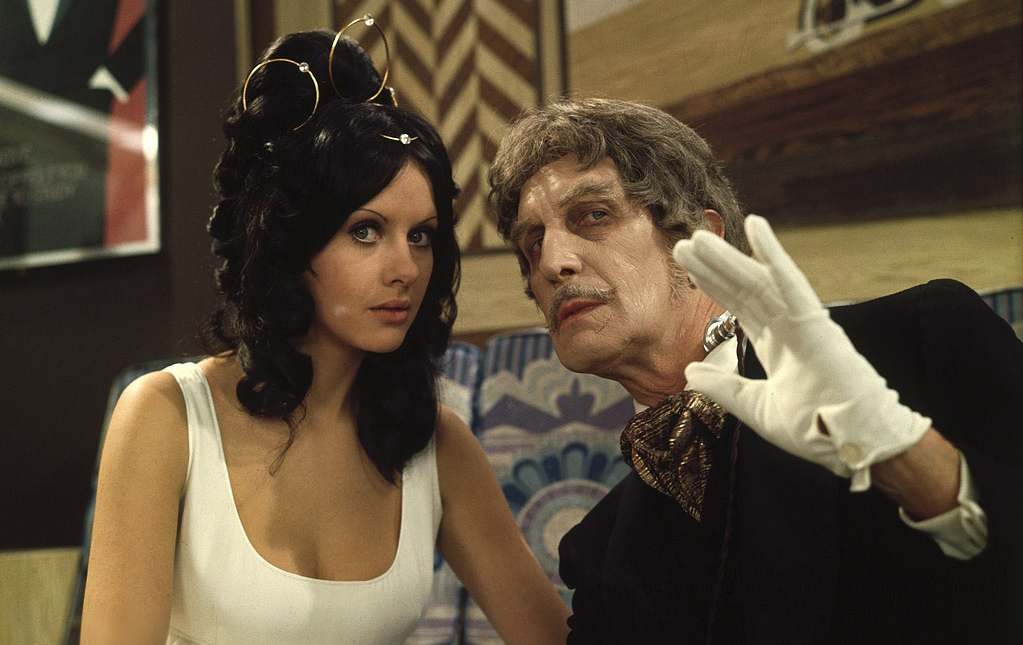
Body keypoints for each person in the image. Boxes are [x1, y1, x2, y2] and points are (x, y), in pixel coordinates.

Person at [81, 23, 569, 645]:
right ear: (292, 242)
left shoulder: (437, 443)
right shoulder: (165, 417)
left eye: (421, 235)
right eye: (366, 231)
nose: (405, 268)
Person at [488, 97, 1023, 643]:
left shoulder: (920, 338)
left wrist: (894, 446)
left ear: (699, 239)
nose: (551, 264)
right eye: (534, 243)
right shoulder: (597, 551)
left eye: (593, 215)